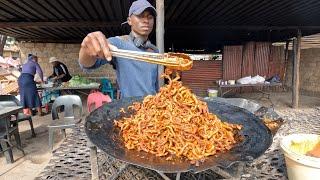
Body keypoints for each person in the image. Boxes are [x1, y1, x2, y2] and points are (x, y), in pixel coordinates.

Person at [79, 0, 160, 98]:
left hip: (153, 107)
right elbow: (86, 65)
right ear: (129, 20)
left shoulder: (155, 51)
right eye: (140, 16)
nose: (146, 20)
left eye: (150, 17)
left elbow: (155, 85)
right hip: (129, 108)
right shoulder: (118, 43)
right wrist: (86, 49)